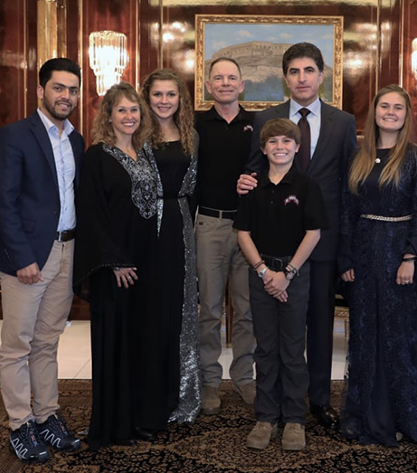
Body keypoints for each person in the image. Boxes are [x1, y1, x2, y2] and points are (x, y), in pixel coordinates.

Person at [238, 42, 357, 429]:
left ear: (322, 75)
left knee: (318, 326)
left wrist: (348, 247)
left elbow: (349, 186)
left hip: (319, 243)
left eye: (309, 70)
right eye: (294, 71)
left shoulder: (343, 122)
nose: (302, 78)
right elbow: (254, 175)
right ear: (284, 77)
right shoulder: (266, 120)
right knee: (274, 335)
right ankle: (272, 406)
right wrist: (243, 182)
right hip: (271, 245)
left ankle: (318, 401)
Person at [339, 85, 417, 451]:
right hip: (364, 257)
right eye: (384, 106)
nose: (390, 112)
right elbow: (347, 213)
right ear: (374, 113)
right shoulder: (358, 156)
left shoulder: (415, 158)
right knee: (366, 335)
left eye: (397, 107)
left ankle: (403, 414)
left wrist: (409, 258)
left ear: (406, 115)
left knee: (398, 338)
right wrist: (347, 260)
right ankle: (367, 414)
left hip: (398, 255)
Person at [0, 57, 83, 463]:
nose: (66, 96)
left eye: (73, 89)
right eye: (59, 88)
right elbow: (4, 202)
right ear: (40, 91)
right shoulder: (14, 135)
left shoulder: (77, 140)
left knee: (47, 342)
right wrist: (22, 256)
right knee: (17, 345)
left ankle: (47, 415)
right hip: (27, 257)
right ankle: (19, 423)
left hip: (66, 250)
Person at [73, 82, 160, 450]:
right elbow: (91, 214)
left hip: (147, 263)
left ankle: (138, 418)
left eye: (134, 110)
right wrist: (115, 262)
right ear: (108, 115)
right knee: (116, 343)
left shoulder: (146, 152)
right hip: (115, 267)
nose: (129, 116)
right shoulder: (97, 156)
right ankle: (113, 425)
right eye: (121, 110)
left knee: (141, 341)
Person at [234, 118, 328, 451]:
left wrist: (286, 274)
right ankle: (265, 417)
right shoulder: (251, 185)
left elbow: (313, 233)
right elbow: (242, 232)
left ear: (297, 147)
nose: (280, 147)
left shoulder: (306, 186)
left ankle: (294, 419)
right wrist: (263, 272)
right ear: (263, 149)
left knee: (292, 348)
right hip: (260, 274)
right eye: (272, 142)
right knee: (265, 347)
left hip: (294, 275)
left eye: (286, 142)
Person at [194, 57, 256, 414]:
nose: (226, 83)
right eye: (218, 78)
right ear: (208, 85)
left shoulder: (257, 124)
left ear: (242, 84)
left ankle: (245, 378)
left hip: (249, 229)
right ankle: (210, 382)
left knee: (247, 311)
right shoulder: (197, 125)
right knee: (210, 310)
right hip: (210, 226)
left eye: (232, 77)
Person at [141, 69, 201, 426]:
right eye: (158, 95)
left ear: (181, 99)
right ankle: (147, 392)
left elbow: (195, 186)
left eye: (171, 95)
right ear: (147, 98)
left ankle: (179, 393)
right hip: (145, 224)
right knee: (148, 308)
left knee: (177, 308)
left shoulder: (191, 135)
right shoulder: (136, 133)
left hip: (180, 225)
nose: (164, 101)